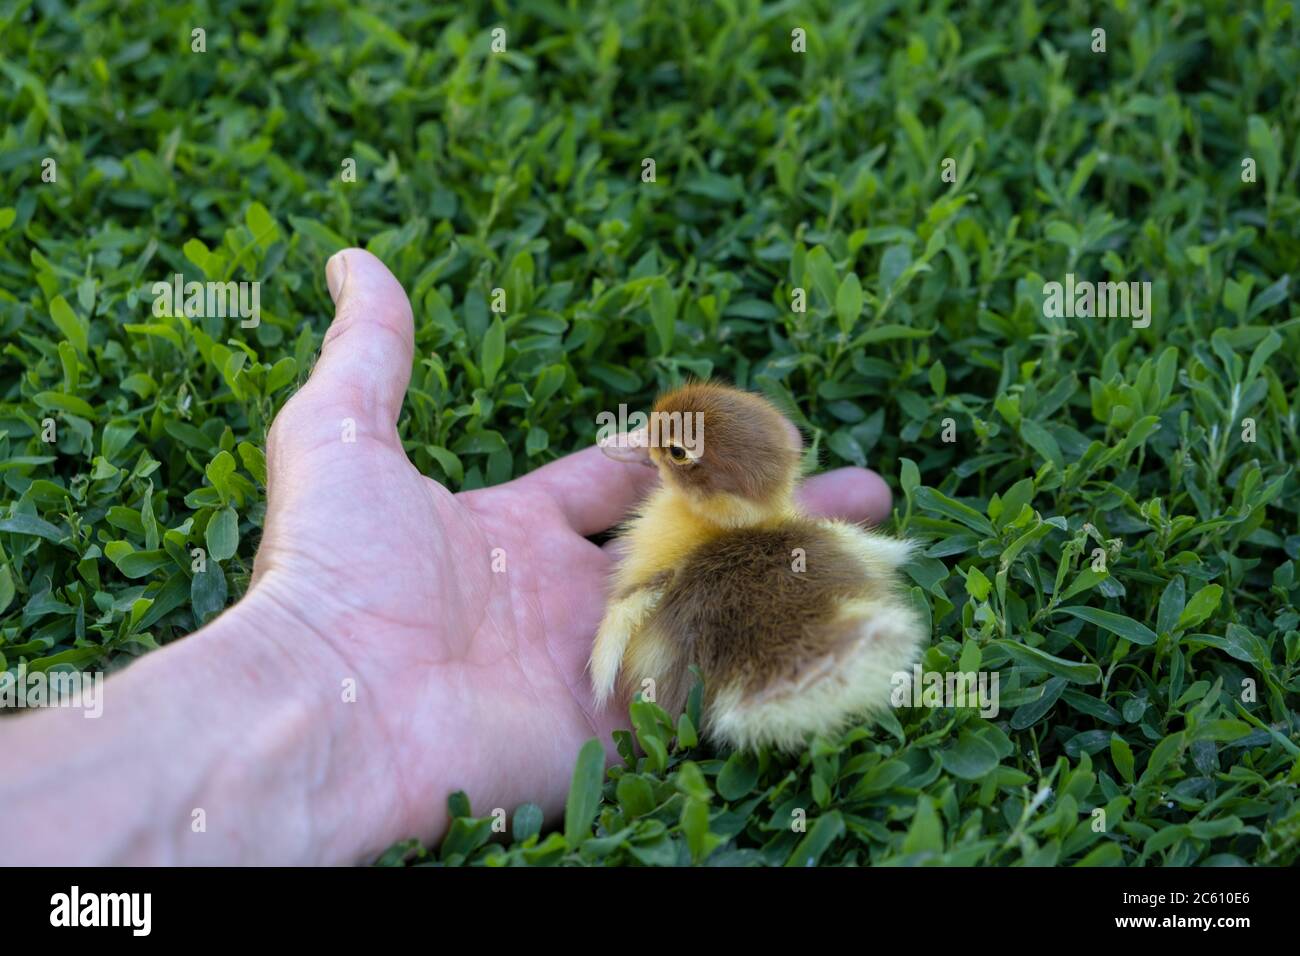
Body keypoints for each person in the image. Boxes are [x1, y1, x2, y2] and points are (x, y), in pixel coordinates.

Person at [0, 250, 894, 865]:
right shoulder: (789, 538)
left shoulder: (682, 573)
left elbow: (648, 622)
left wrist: (311, 663)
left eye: (671, 453)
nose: (647, 453)